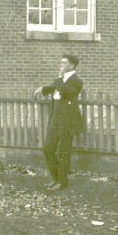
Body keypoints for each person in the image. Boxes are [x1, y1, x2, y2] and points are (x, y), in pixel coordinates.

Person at [33, 53, 86, 191]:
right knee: (48, 148)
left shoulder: (76, 81)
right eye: (61, 63)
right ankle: (56, 178)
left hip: (68, 121)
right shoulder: (61, 80)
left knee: (63, 152)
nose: (61, 65)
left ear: (72, 65)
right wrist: (43, 89)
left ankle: (61, 182)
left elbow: (65, 92)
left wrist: (59, 78)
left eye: (64, 63)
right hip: (56, 118)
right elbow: (53, 87)